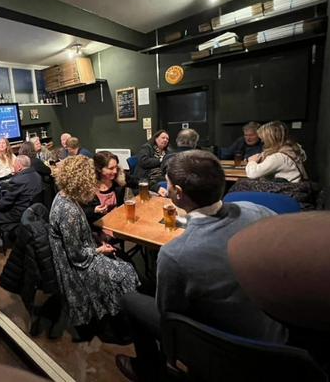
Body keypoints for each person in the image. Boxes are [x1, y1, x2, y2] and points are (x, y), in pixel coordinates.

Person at [115, 150, 287, 382]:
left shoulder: (174, 254)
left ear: (177, 193)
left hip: (223, 345)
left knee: (130, 300)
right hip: (279, 338)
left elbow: (170, 314)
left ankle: (148, 370)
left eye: (168, 184)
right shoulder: (258, 211)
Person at [49, 155, 139, 329]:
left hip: (84, 251)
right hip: (74, 266)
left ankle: (122, 314)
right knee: (126, 272)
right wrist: (100, 250)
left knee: (125, 263)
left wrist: (97, 239)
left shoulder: (65, 196)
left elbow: (80, 237)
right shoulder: (69, 211)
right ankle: (122, 322)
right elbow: (77, 257)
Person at [0, 155, 42, 253]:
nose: (13, 166)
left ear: (19, 167)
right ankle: (12, 235)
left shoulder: (17, 180)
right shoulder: (36, 175)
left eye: (14, 164)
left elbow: (6, 202)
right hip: (34, 210)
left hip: (19, 214)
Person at [81, 151, 138, 240]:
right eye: (111, 168)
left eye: (116, 167)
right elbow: (79, 210)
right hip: (98, 227)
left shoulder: (119, 176)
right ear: (99, 169)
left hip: (119, 221)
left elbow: (137, 181)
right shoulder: (88, 185)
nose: (115, 171)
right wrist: (94, 210)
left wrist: (156, 187)